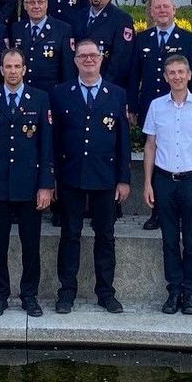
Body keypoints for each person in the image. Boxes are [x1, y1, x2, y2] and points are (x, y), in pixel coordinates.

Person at [50, 40, 131, 314]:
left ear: (101, 59)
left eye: (93, 55)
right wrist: (53, 180)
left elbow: (122, 141)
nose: (88, 60)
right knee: (69, 235)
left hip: (105, 177)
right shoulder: (60, 94)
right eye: (82, 56)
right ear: (74, 61)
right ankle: (66, 292)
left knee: (105, 236)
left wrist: (123, 179)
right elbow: (54, 140)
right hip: (70, 176)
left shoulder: (117, 94)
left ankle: (106, 292)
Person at [0, 48, 54, 318]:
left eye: (17, 66)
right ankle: (0, 296)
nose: (12, 71)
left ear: (24, 69)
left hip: (29, 186)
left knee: (30, 244)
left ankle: (29, 296)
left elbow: (46, 147)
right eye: (8, 66)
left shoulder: (40, 99)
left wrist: (46, 185)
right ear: (1, 69)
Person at [143, 53, 192, 315]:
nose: (176, 77)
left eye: (181, 72)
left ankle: (189, 293)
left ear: (189, 75)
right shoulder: (156, 106)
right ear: (165, 77)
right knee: (169, 241)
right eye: (171, 73)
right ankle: (173, 291)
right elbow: (150, 146)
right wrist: (147, 184)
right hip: (164, 181)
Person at [127, 0, 192, 230]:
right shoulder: (142, 40)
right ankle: (158, 212)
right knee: (157, 159)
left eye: (165, 7)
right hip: (154, 110)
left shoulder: (190, 40)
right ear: (151, 12)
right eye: (157, 7)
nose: (161, 11)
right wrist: (131, 106)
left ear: (174, 10)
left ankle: (181, 211)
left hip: (183, 108)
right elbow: (133, 76)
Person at [69, 0, 133, 79]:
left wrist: (101, 87)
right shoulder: (77, 18)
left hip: (107, 86)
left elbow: (120, 61)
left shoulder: (122, 20)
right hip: (80, 84)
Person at [9, 0, 72, 87]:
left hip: (51, 92)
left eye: (40, 2)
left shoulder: (63, 29)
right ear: (25, 6)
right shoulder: (17, 28)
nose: (36, 6)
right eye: (31, 3)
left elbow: (68, 69)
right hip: (23, 91)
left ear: (46, 4)